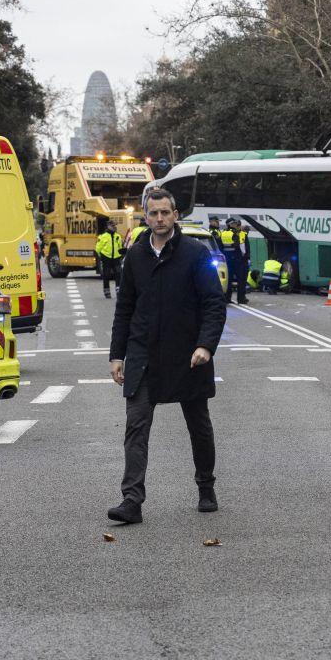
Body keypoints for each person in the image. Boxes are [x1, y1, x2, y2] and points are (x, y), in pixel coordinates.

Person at [107, 188, 227, 525]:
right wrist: (117, 355)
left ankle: (206, 485)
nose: (159, 219)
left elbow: (213, 304)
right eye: (153, 213)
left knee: (198, 425)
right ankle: (131, 500)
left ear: (175, 215)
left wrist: (205, 345)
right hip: (144, 356)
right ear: (145, 216)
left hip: (188, 355)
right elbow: (125, 307)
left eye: (165, 213)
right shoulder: (136, 256)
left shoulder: (194, 253)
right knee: (136, 426)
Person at [219, 217, 249, 304]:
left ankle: (227, 298)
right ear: (230, 224)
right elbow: (238, 247)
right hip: (237, 260)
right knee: (241, 280)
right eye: (234, 223)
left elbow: (220, 247)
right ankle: (241, 299)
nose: (235, 225)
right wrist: (244, 257)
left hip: (227, 260)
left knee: (228, 280)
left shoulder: (223, 233)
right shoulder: (235, 233)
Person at [95, 221, 124, 298]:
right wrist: (101, 256)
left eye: (115, 225)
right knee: (106, 275)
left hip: (116, 258)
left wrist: (121, 255)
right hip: (106, 258)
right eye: (113, 225)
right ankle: (107, 291)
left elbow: (120, 247)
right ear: (108, 226)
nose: (114, 227)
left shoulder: (118, 236)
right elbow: (98, 248)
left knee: (118, 274)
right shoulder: (102, 236)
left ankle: (118, 290)